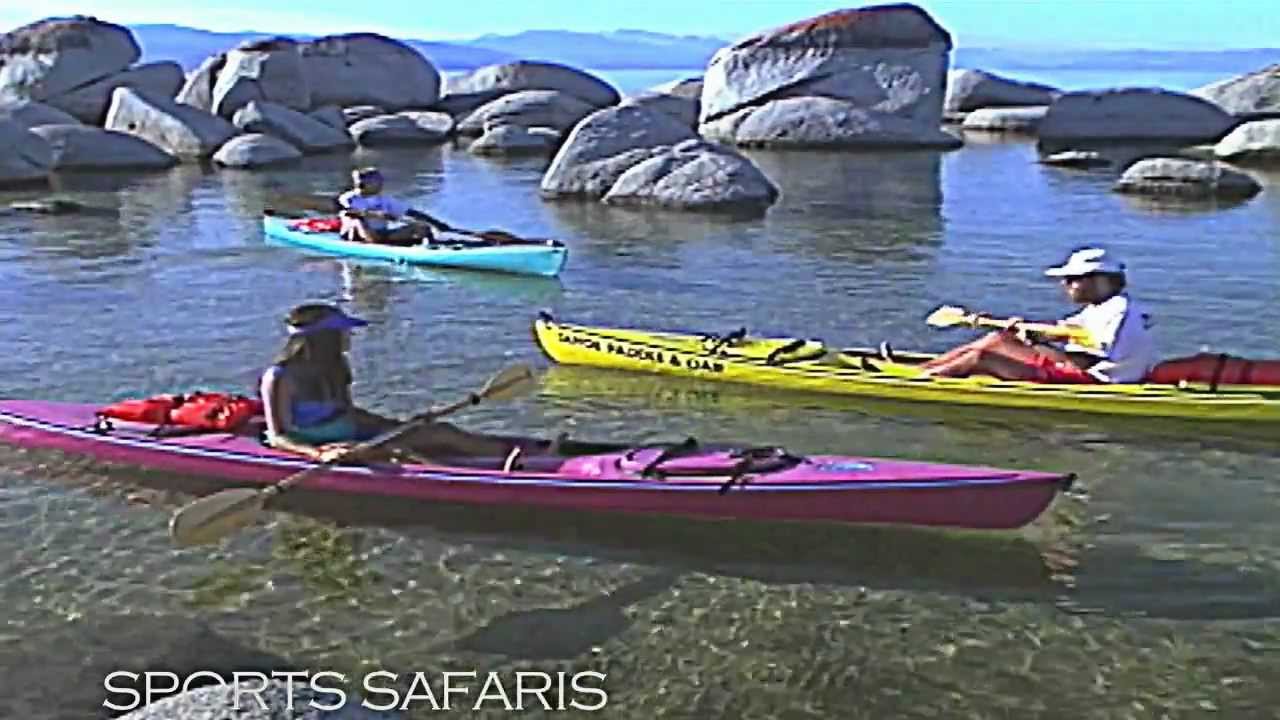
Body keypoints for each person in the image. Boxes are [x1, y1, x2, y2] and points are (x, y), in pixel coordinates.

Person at [260, 303, 558, 465]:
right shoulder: (280, 377)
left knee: (440, 431)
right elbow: (278, 436)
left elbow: (349, 414)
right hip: (323, 445)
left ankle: (530, 458)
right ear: (323, 338)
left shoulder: (337, 366)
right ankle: (494, 478)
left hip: (354, 432)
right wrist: (319, 454)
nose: (349, 336)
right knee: (401, 453)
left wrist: (399, 424)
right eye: (343, 332)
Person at [918, 247, 1157, 384]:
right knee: (998, 339)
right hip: (1086, 369)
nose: (1065, 284)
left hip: (1095, 381)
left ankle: (922, 383)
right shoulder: (1103, 306)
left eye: (1073, 279)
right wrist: (1026, 333)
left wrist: (1038, 345)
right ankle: (925, 369)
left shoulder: (1116, 312)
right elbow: (1063, 331)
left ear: (1101, 280)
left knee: (981, 357)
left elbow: (1085, 360)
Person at [337, 167, 442, 246]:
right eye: (377, 180)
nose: (381, 183)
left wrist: (438, 224)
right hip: (357, 235)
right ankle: (370, 244)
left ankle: (433, 248)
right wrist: (376, 214)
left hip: (382, 234)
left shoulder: (385, 200)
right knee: (356, 221)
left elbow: (411, 213)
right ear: (365, 183)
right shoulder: (348, 198)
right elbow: (346, 211)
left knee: (422, 228)